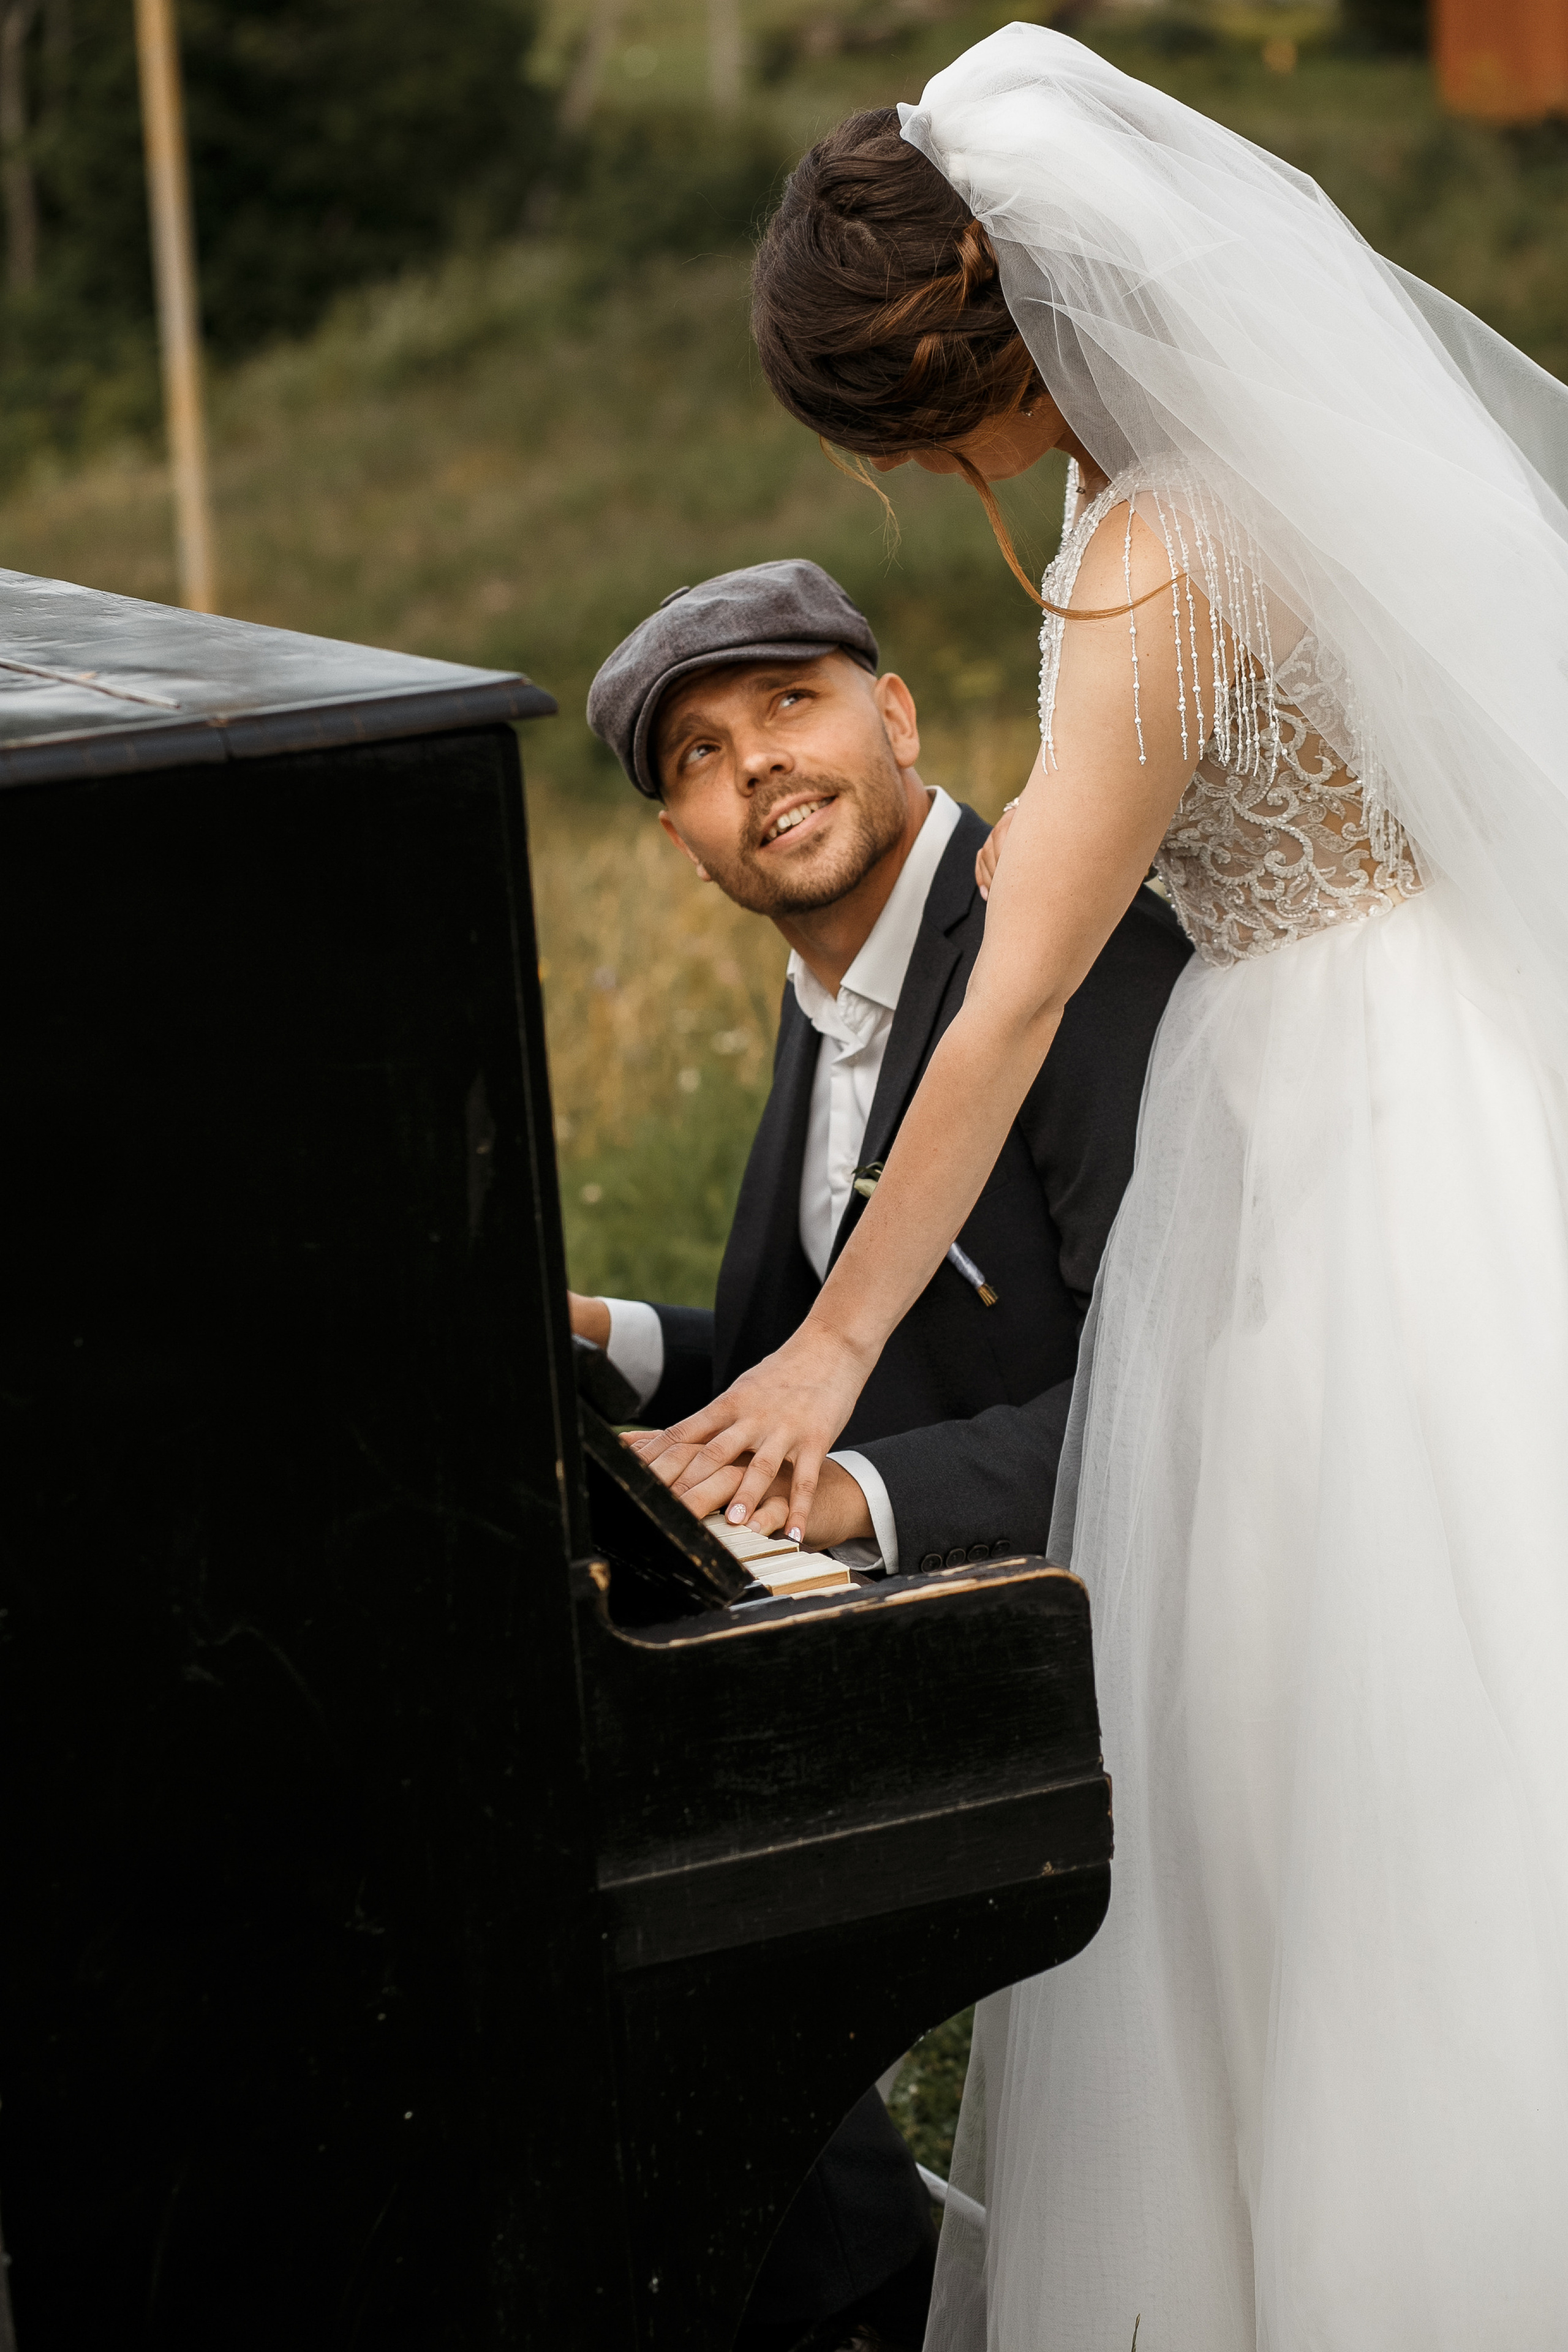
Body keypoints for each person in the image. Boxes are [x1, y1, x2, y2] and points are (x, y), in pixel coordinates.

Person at [635, 28, 1568, 2350]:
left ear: (956, 386)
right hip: (1426, 1043)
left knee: (1339, 1713)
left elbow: (1018, 990)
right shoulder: (1248, 473)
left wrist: (833, 1354)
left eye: (895, 444)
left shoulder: (1156, 550)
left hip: (1337, 1130)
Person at [576, 556, 1189, 2352]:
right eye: (697, 753)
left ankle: (849, 2280)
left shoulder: (1067, 951)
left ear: (895, 714)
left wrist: (855, 1500)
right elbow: (801, 1364)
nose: (756, 764)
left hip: (1145, 1624)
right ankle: (836, 2267)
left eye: (790, 703)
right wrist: (604, 1338)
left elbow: (1188, 1389)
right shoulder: (826, 982)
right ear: (681, 836)